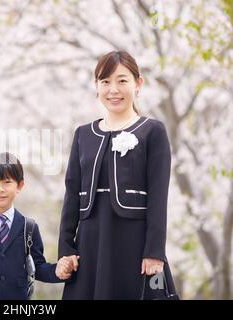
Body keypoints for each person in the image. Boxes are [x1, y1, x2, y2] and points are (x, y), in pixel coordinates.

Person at [55, 51, 178, 299]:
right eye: (105, 82)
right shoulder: (83, 134)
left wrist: (154, 251)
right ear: (96, 86)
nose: (113, 89)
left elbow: (158, 195)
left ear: (138, 83)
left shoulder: (152, 131)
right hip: (89, 245)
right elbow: (71, 195)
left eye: (122, 81)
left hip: (134, 243)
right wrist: (66, 249)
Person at [0, 152, 73, 299]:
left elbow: (37, 267)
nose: (0, 189)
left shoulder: (29, 227)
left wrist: (57, 271)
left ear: (19, 185)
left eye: (7, 182)